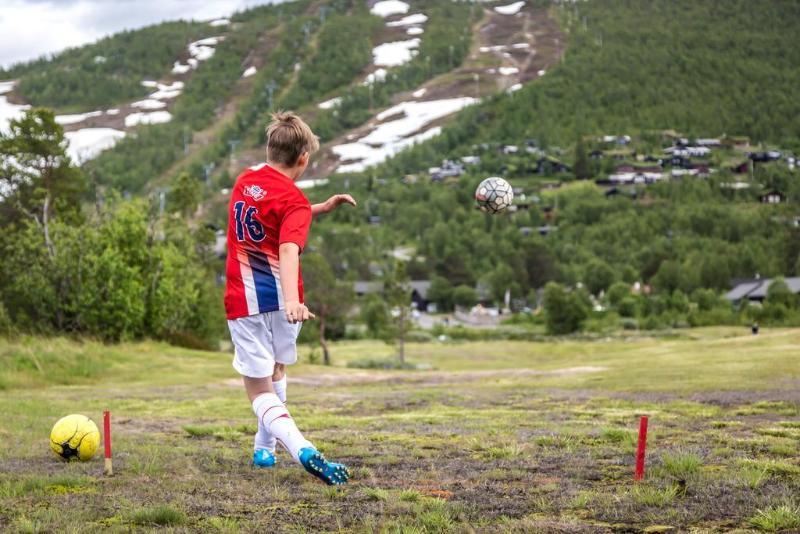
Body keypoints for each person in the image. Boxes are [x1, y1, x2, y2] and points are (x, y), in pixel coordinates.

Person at [224, 111, 356, 485]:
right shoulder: (294, 200)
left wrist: (319, 209)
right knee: (277, 372)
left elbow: (270, 214)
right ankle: (264, 450)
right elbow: (287, 247)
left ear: (269, 149)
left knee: (259, 388)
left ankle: (302, 449)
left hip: (245, 303)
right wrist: (291, 302)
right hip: (285, 305)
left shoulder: (244, 182)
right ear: (303, 159)